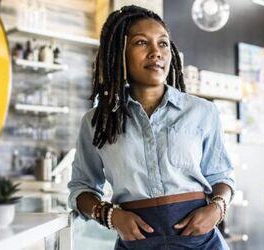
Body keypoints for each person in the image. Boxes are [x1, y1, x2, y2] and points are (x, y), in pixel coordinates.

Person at [68, 5, 235, 250]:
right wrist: (110, 216)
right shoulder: (97, 122)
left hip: (201, 243)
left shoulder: (202, 112)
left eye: (163, 44)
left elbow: (222, 177)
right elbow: (81, 188)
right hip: (136, 245)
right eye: (141, 43)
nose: (156, 52)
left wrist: (217, 208)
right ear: (120, 52)